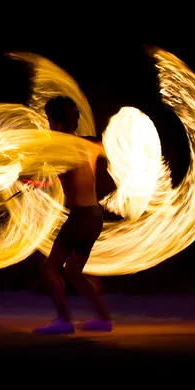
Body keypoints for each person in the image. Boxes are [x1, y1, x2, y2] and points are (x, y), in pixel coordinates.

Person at [34, 96, 112, 334]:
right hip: (94, 216)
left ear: (56, 123)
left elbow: (57, 166)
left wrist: (25, 177)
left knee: (49, 268)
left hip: (80, 217)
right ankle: (104, 319)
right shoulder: (88, 143)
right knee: (73, 272)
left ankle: (64, 321)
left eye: (49, 120)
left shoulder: (61, 148)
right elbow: (74, 172)